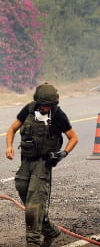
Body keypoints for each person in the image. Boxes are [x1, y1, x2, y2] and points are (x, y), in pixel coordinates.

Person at [6, 83, 78, 246]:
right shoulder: (29, 110)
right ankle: (50, 230)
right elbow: (12, 129)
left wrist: (63, 153)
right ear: (38, 102)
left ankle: (33, 241)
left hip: (43, 164)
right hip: (26, 161)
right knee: (22, 187)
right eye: (43, 105)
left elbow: (73, 137)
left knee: (33, 206)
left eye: (49, 106)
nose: (45, 108)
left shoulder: (58, 115)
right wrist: (9, 147)